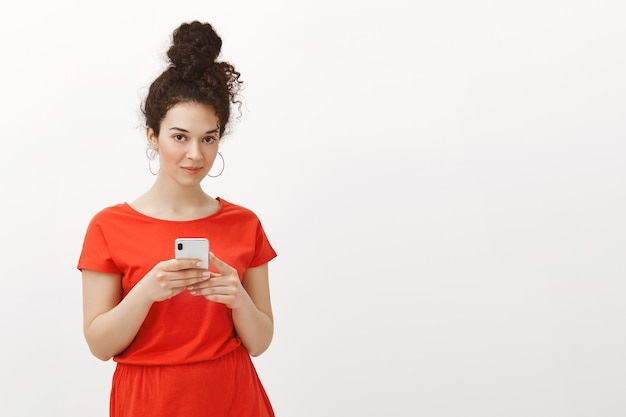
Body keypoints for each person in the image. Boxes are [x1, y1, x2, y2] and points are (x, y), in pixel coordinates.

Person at [77, 20, 277, 417]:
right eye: (180, 136)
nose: (195, 155)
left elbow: (260, 341)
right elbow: (100, 346)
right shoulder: (109, 226)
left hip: (233, 396)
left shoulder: (244, 223)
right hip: (148, 400)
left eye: (209, 138)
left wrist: (239, 300)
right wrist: (146, 291)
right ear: (153, 135)